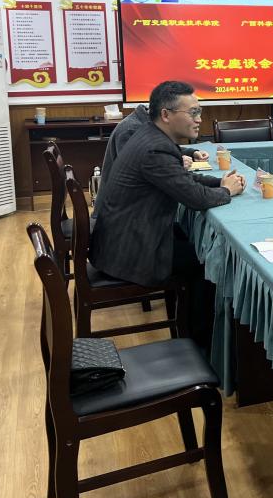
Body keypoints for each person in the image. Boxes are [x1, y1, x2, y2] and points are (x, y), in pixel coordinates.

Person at [90, 81, 245, 346]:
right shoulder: (154, 148)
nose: (199, 119)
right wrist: (226, 191)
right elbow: (195, 199)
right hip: (129, 252)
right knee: (208, 261)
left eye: (199, 112)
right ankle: (201, 346)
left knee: (195, 243)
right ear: (166, 114)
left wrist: (218, 182)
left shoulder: (151, 136)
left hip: (124, 238)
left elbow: (181, 181)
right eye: (193, 113)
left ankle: (194, 334)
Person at [94, 102, 209, 215]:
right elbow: (138, 170)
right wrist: (175, 162)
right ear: (165, 114)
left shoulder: (149, 123)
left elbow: (161, 148)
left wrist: (191, 152)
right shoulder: (130, 130)